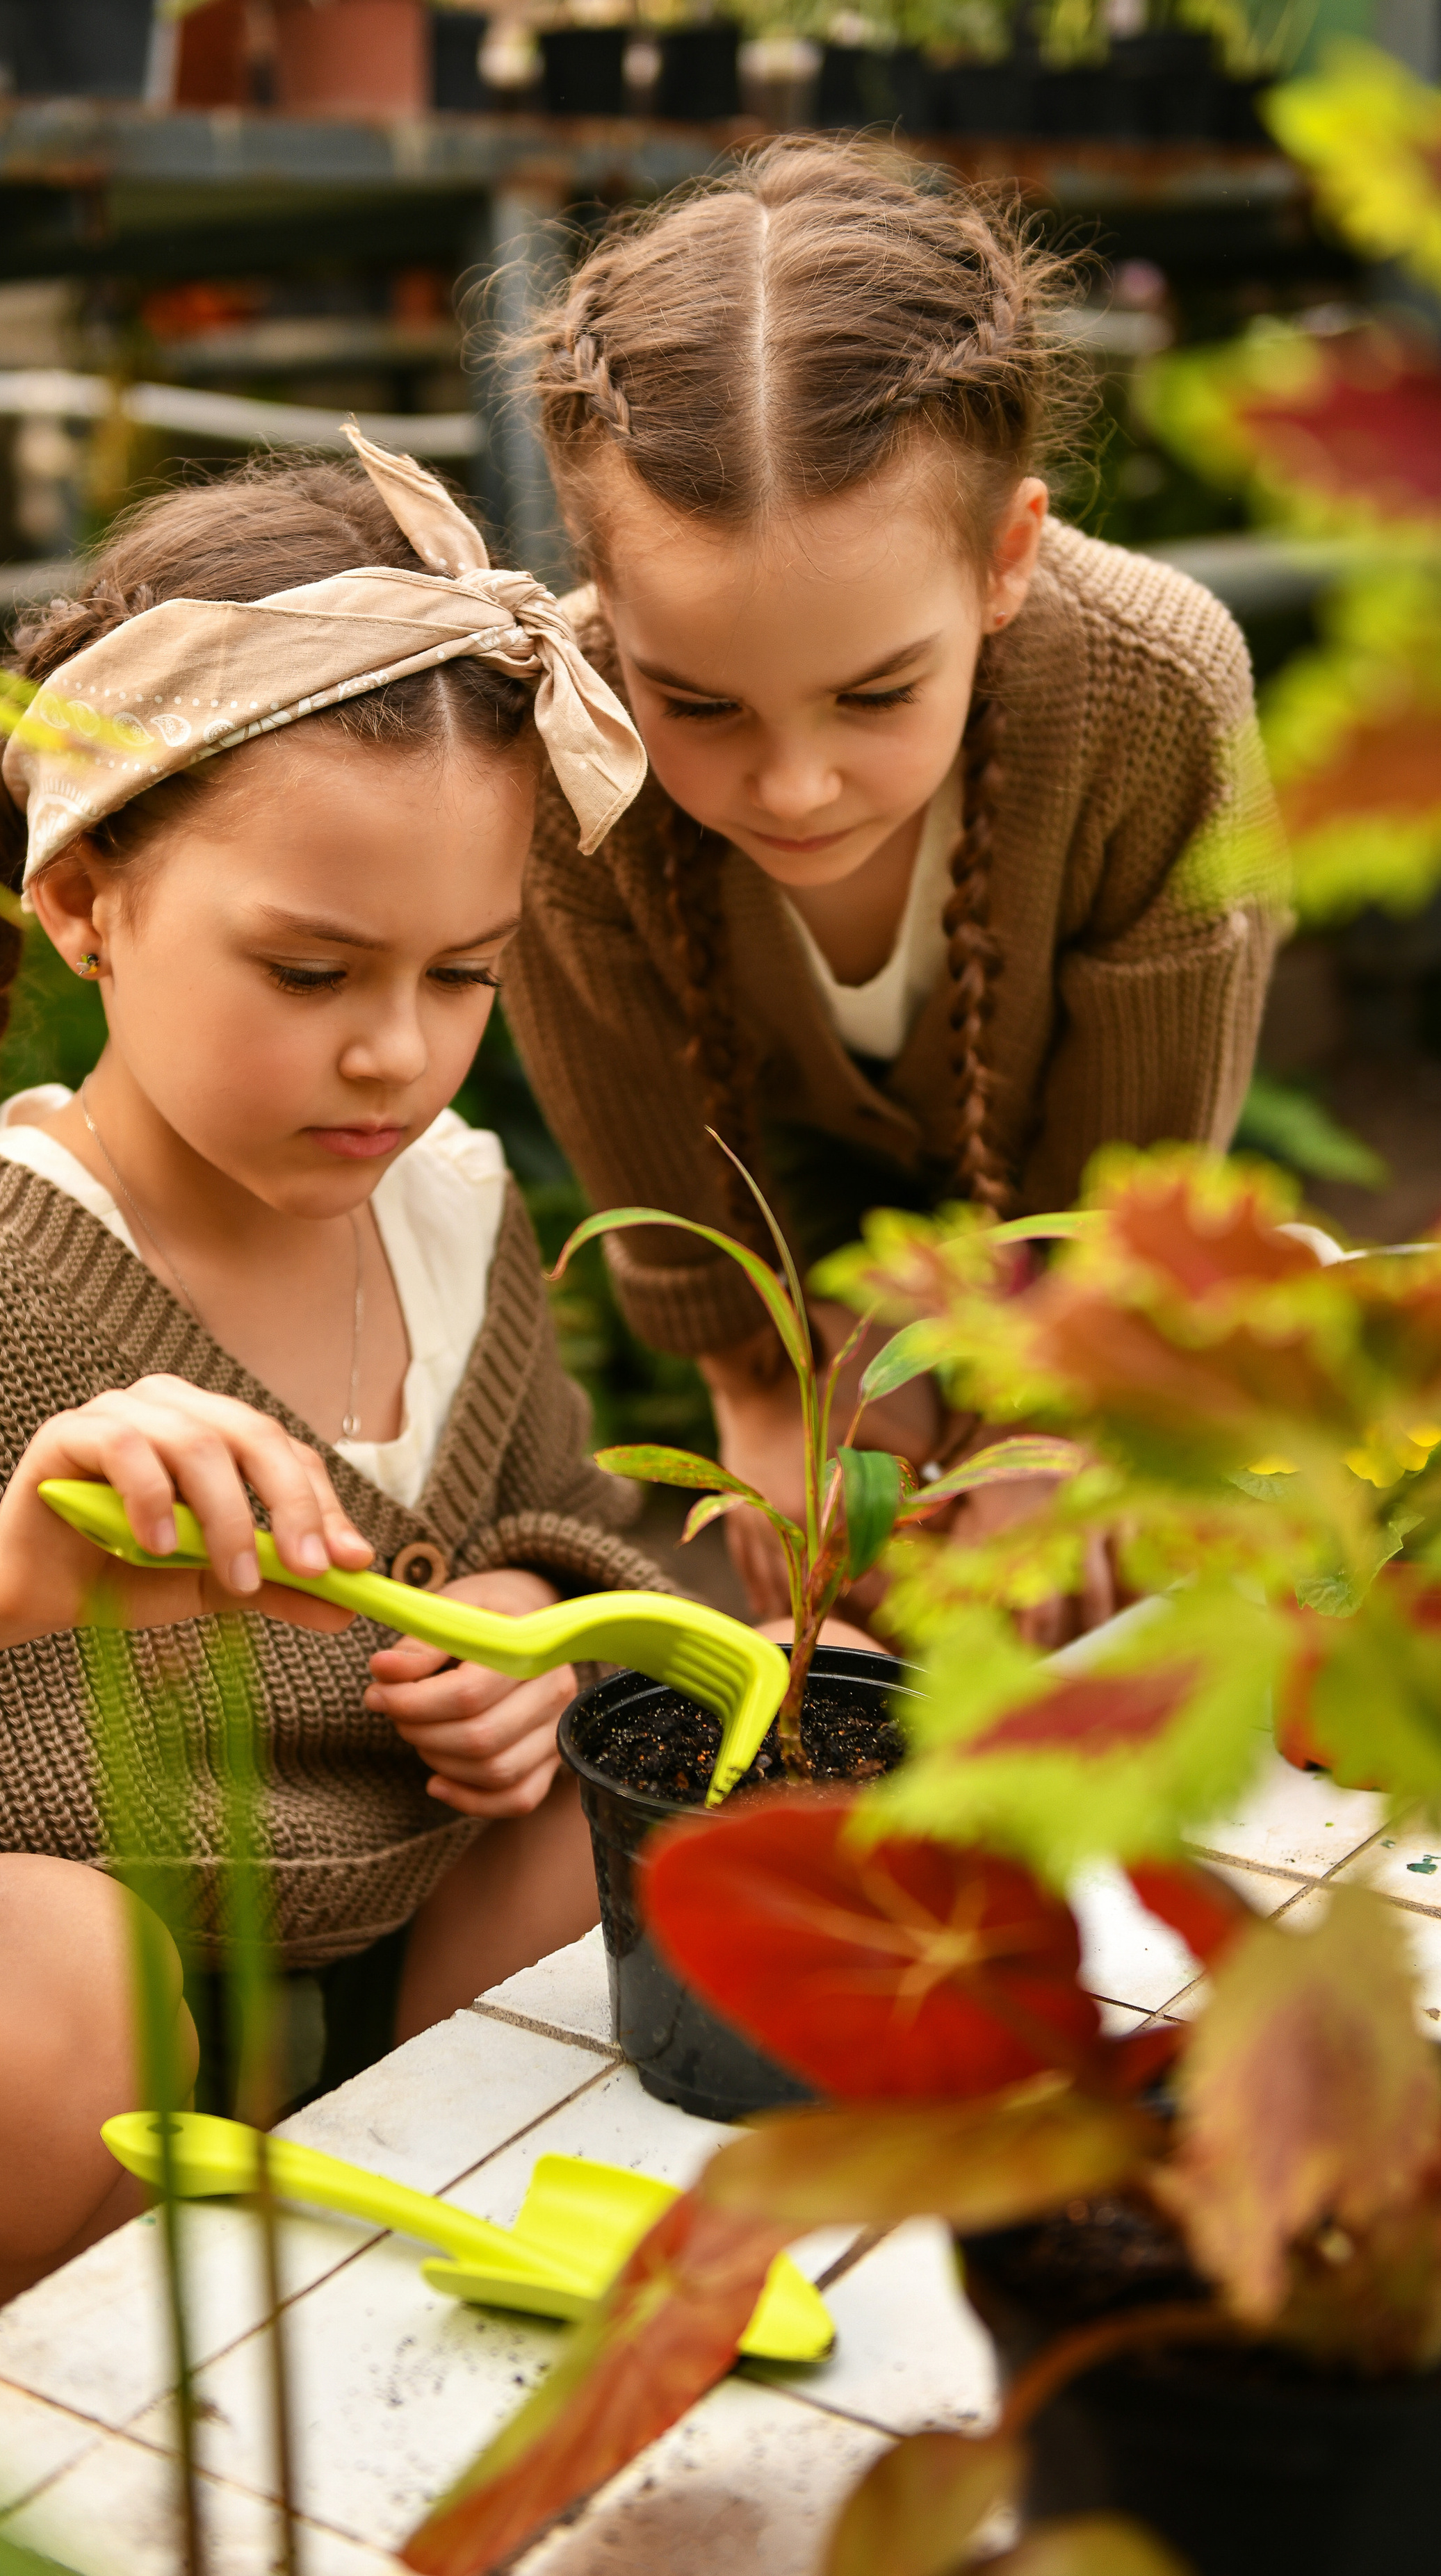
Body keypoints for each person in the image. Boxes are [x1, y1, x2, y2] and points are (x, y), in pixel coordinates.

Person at [0, 437, 656, 2343]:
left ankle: (413, 2357)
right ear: (87, 901)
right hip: (10, 2104)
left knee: (649, 1782)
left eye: (463, 976)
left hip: (379, 2010)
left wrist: (533, 1622)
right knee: (37, 1976)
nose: (396, 1055)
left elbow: (580, 1517)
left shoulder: (454, 1213)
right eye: (309, 971)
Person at [503, 140, 1290, 1625]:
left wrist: (1049, 1417)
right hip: (799, 1236)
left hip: (1075, 1221)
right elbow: (638, 1117)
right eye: (701, 705)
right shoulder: (565, 743)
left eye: (873, 695)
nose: (793, 786)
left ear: (1005, 558)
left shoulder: (1153, 694)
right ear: (604, 592)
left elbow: (1138, 1140)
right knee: (853, 1569)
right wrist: (756, 1389)